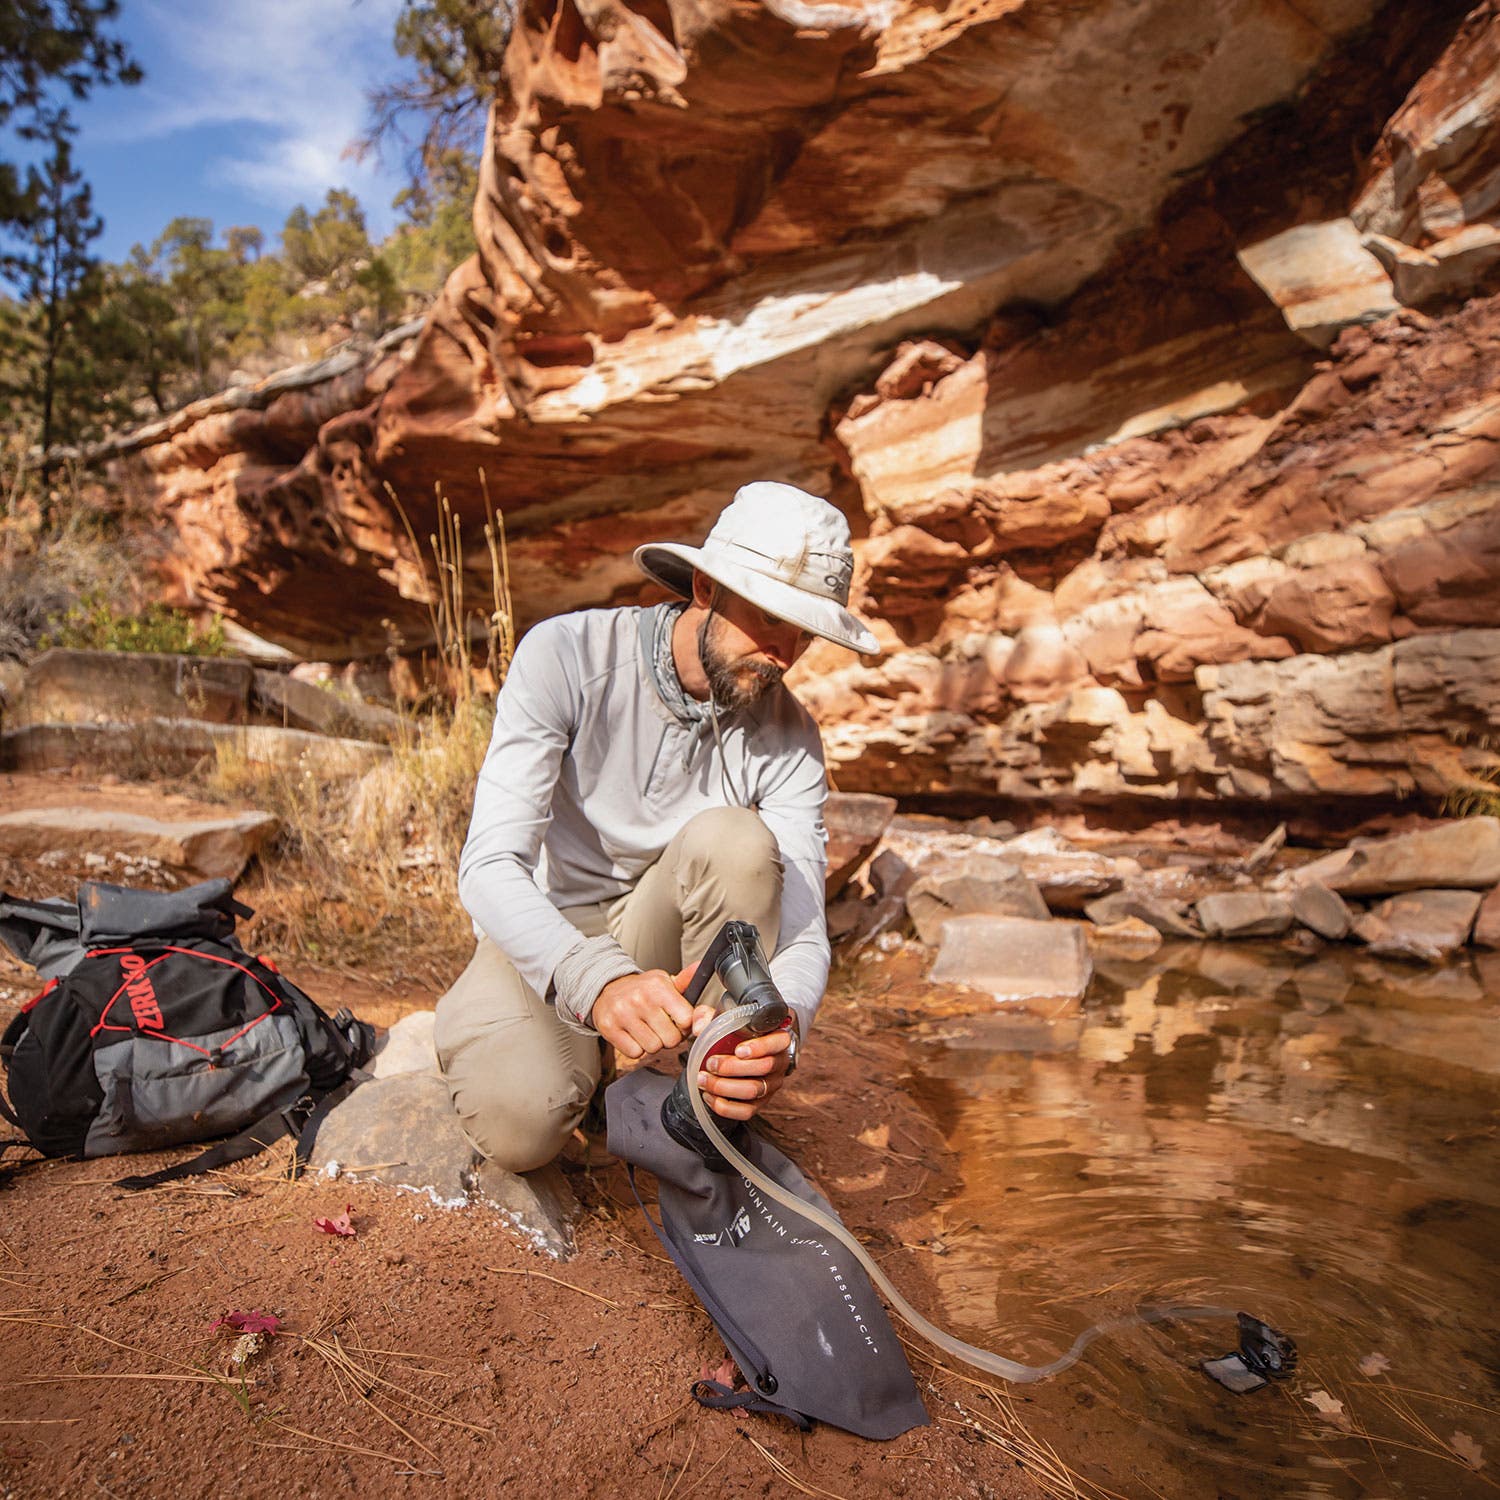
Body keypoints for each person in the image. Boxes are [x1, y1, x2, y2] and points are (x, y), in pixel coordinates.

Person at [435, 481, 879, 1173]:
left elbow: (803, 928)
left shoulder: (790, 739)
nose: (785, 653)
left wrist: (781, 1032)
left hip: (665, 938)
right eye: (769, 620)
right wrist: (600, 983)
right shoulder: (566, 657)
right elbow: (489, 865)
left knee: (738, 841)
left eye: (803, 632)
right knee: (520, 1128)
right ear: (706, 587)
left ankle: (698, 1083)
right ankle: (572, 1059)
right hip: (549, 932)